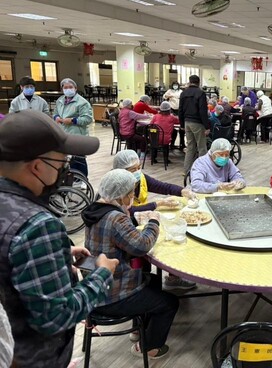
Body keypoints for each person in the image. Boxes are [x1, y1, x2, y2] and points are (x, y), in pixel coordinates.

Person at [0, 110, 118, 366]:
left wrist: (55, 258)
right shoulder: (38, 225)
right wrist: (102, 275)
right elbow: (56, 316)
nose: (65, 167)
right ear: (38, 166)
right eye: (62, 161)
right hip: (34, 356)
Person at [82, 169, 179, 360]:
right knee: (170, 302)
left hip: (94, 286)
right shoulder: (115, 218)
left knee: (152, 281)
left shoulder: (95, 210)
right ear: (122, 195)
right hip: (110, 296)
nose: (133, 197)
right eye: (131, 194)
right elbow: (142, 246)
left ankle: (139, 329)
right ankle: (149, 347)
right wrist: (153, 221)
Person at [112, 150, 197, 290]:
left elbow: (162, 186)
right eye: (133, 169)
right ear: (120, 171)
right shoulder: (115, 187)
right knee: (145, 248)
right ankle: (140, 285)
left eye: (139, 167)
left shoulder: (140, 179)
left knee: (170, 237)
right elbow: (126, 212)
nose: (138, 172)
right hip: (127, 226)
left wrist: (182, 191)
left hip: (140, 221)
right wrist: (157, 204)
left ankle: (173, 277)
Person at [53, 77, 94, 177]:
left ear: (75, 88)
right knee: (68, 159)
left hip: (77, 134)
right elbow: (55, 113)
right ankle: (72, 178)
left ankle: (83, 179)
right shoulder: (60, 101)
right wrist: (56, 117)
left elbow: (88, 119)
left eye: (70, 87)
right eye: (65, 87)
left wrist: (73, 120)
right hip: (64, 133)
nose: (68, 89)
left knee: (79, 159)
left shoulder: (82, 102)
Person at [179, 75, 209, 174]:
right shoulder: (201, 93)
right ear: (198, 82)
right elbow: (203, 111)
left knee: (190, 147)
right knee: (202, 148)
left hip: (187, 122)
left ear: (190, 81)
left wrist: (182, 124)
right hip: (197, 123)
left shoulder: (183, 93)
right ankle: (202, 171)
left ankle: (186, 170)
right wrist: (207, 126)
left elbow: (180, 110)